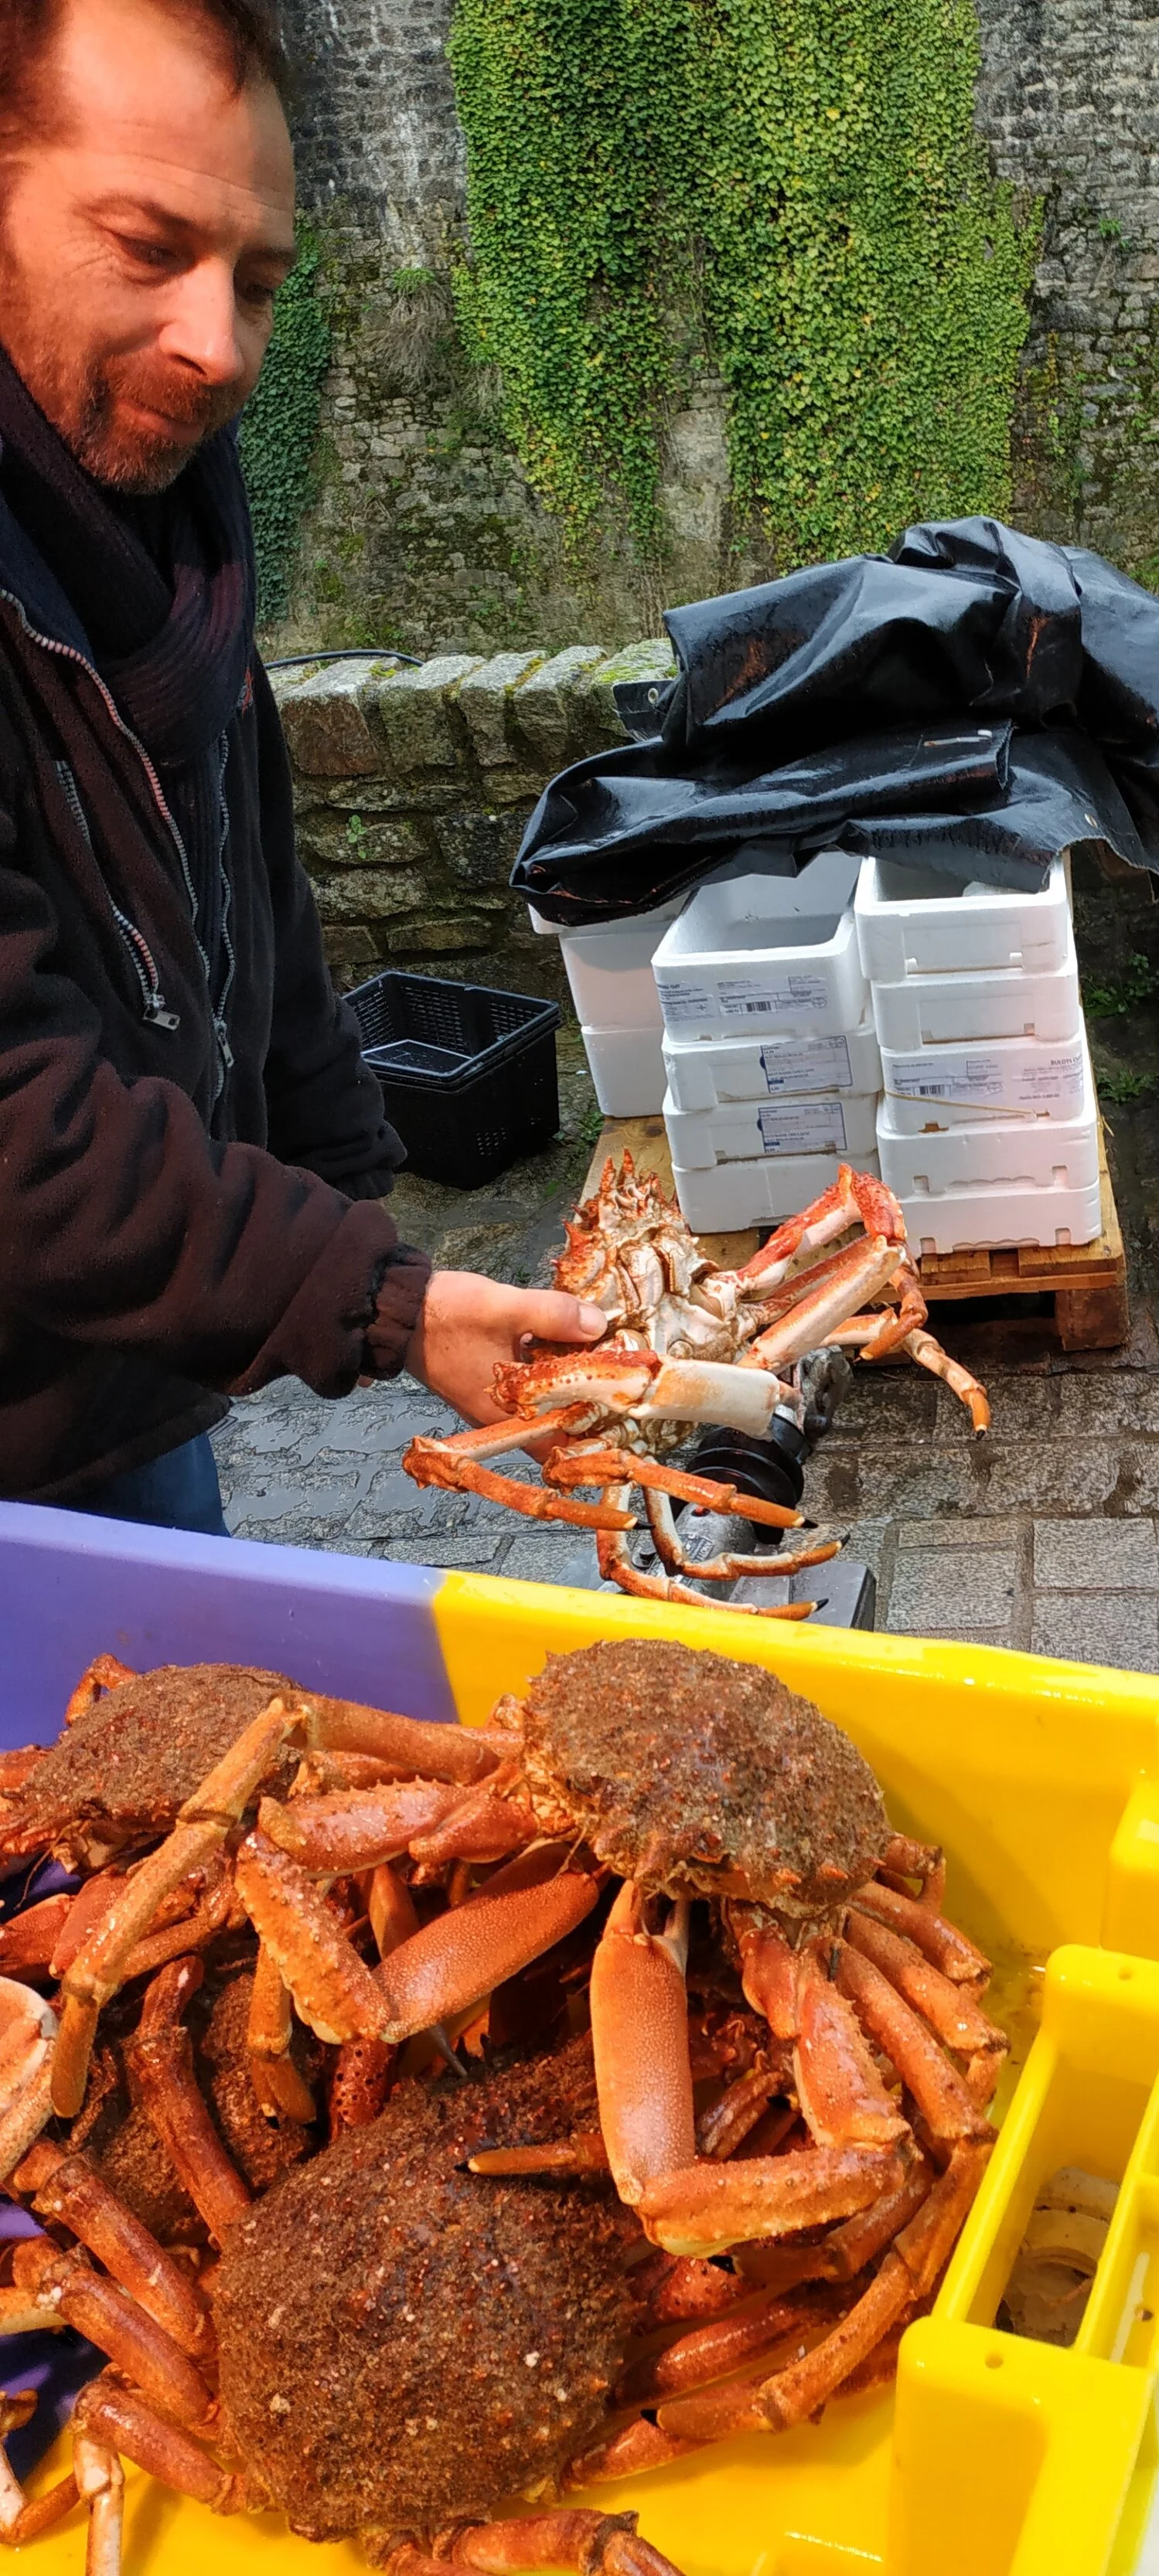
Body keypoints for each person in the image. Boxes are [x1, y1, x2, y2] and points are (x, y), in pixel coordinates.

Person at [0, 0, 602, 1533]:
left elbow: (243, 873)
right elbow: (19, 1125)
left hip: (124, 1384)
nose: (216, 345)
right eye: (148, 246)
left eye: (258, 282)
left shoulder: (169, 524)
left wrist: (350, 1187)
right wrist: (386, 1302)